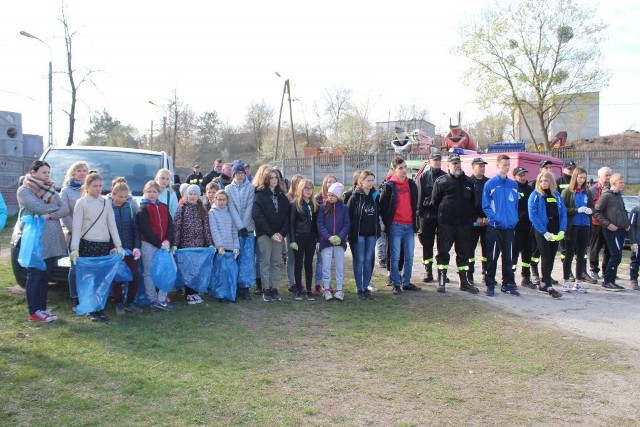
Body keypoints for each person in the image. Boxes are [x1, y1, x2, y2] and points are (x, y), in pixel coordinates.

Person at [17, 160, 69, 322]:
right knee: (35, 274)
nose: (47, 175)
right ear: (33, 172)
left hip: (52, 238)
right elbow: (38, 207)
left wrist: (51, 215)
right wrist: (55, 210)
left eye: (48, 172)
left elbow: (65, 209)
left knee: (46, 274)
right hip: (35, 238)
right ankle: (33, 311)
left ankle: (42, 307)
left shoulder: (51, 190)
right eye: (43, 172)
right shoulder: (24, 190)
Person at [69, 171, 124, 321]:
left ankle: (99, 307)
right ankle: (90, 308)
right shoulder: (81, 203)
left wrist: (118, 245)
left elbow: (112, 225)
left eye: (100, 186)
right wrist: (75, 249)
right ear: (87, 186)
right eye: (94, 186)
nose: (98, 189)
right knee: (89, 278)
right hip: (88, 244)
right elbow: (77, 226)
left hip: (103, 244)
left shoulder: (106, 202)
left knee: (101, 278)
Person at [430, 154, 479, 294]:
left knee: (464, 253)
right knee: (443, 252)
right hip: (446, 224)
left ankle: (464, 282)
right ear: (448, 165)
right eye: (454, 163)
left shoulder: (469, 182)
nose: (457, 165)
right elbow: (435, 202)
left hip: (464, 225)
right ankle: (441, 280)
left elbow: (474, 202)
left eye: (458, 163)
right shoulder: (441, 181)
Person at [380, 156, 420, 295]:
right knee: (395, 256)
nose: (404, 170)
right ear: (394, 170)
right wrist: (388, 223)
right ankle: (396, 284)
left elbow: (415, 202)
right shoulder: (390, 186)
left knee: (409, 256)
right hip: (395, 226)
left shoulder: (411, 184)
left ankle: (406, 282)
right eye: (400, 168)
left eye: (405, 167)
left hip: (409, 225)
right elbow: (383, 207)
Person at [482, 154, 520, 296]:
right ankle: (490, 284)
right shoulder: (490, 184)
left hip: (509, 228)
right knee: (492, 257)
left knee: (508, 258)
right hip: (495, 227)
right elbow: (486, 207)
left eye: (508, 165)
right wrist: (497, 219)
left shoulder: (513, 184)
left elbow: (515, 204)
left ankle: (507, 284)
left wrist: (514, 219)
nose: (507, 167)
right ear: (498, 165)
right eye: (504, 164)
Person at [252, 168, 290, 302]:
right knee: (265, 262)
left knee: (275, 262)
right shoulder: (259, 195)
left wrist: (282, 233)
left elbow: (287, 217)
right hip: (265, 234)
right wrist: (271, 233)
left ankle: (274, 288)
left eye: (276, 178)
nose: (274, 180)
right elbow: (258, 216)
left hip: (279, 235)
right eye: (271, 177)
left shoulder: (282, 195)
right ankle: (266, 289)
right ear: (266, 179)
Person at [528, 171, 567, 299]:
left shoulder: (557, 195)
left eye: (546, 181)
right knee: (545, 258)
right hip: (542, 231)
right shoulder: (535, 195)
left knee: (551, 257)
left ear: (551, 182)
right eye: (541, 181)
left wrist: (562, 230)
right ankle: (549, 287)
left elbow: (563, 213)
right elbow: (533, 215)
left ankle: (544, 283)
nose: (543, 183)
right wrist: (544, 232)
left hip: (555, 230)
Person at [138, 180, 175, 311]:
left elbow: (170, 225)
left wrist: (168, 240)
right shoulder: (143, 208)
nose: (152, 194)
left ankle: (161, 298)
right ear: (145, 192)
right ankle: (153, 299)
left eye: (154, 191)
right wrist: (158, 243)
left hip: (164, 245)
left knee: (167, 270)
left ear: (159, 193)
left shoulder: (164, 207)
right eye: (149, 191)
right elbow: (146, 229)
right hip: (149, 244)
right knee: (148, 272)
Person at [175, 184, 214, 304]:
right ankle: (188, 294)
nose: (192, 196)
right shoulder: (182, 208)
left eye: (195, 194)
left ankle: (195, 293)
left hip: (199, 245)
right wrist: (175, 244)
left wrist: (209, 243)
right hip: (186, 246)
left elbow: (206, 228)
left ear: (198, 196)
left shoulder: (202, 209)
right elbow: (177, 227)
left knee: (197, 270)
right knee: (188, 270)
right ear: (186, 195)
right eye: (190, 194)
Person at [109, 178, 142, 314]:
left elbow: (135, 228)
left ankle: (130, 301)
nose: (123, 199)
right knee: (118, 277)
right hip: (115, 250)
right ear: (113, 194)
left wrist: (136, 246)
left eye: (125, 196)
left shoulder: (130, 207)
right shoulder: (109, 208)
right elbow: (107, 230)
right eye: (120, 196)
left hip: (129, 248)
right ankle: (118, 302)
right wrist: (111, 247)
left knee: (134, 276)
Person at [60, 161, 89, 311]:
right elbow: (64, 213)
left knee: (88, 266)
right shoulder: (66, 191)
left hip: (90, 235)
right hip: (74, 235)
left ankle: (87, 296)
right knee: (75, 266)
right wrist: (76, 230)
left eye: (85, 170)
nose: (82, 173)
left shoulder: (91, 189)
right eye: (79, 170)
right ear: (73, 172)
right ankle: (74, 297)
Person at [560, 167, 594, 293]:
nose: (582, 180)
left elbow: (593, 207)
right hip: (572, 226)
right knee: (569, 253)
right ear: (575, 177)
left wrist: (591, 211)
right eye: (580, 177)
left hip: (584, 225)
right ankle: (566, 280)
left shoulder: (587, 192)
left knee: (581, 254)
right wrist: (576, 210)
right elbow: (563, 210)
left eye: (584, 178)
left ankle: (579, 281)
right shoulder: (567, 192)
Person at [225, 160, 256, 301]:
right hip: (235, 229)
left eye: (241, 172)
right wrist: (239, 226)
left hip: (248, 228)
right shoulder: (228, 189)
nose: (239, 175)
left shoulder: (251, 187)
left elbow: (250, 206)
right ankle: (235, 286)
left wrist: (245, 226)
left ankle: (245, 287)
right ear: (233, 175)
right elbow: (230, 208)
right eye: (237, 173)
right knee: (235, 257)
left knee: (247, 259)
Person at [347, 171, 380, 300]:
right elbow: (348, 216)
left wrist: (377, 229)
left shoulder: (375, 195)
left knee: (368, 262)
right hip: (359, 235)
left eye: (372, 180)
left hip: (371, 234)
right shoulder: (355, 197)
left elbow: (378, 214)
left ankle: (366, 287)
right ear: (361, 181)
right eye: (368, 180)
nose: (371, 183)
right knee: (359, 261)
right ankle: (359, 288)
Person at [594, 173, 630, 291]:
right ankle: (607, 281)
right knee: (616, 255)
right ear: (614, 183)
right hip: (610, 231)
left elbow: (623, 211)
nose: (623, 185)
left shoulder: (618, 196)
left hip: (620, 230)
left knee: (615, 255)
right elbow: (596, 212)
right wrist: (608, 224)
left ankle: (612, 280)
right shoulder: (606, 196)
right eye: (621, 182)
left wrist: (626, 224)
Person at [416, 151, 445, 283]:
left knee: (442, 245)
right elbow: (419, 197)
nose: (437, 162)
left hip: (442, 216)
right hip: (427, 216)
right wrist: (419, 215)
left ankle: (442, 273)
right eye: (435, 160)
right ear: (430, 161)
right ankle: (428, 272)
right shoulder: (424, 177)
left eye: (439, 160)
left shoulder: (446, 176)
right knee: (427, 244)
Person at [317, 182, 350, 301]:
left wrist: (340, 237)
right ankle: (326, 290)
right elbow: (320, 224)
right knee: (326, 266)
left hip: (339, 244)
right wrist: (329, 237)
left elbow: (347, 225)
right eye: (328, 195)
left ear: (338, 196)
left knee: (339, 267)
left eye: (332, 195)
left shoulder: (345, 208)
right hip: (326, 243)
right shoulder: (323, 207)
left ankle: (340, 290)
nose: (329, 198)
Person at [289, 178, 319, 301]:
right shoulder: (295, 204)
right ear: (301, 189)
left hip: (311, 237)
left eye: (311, 188)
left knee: (308, 263)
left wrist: (317, 239)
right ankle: (299, 289)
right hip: (299, 237)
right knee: (298, 263)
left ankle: (308, 289)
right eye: (306, 188)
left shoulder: (315, 204)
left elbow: (316, 224)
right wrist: (292, 240)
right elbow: (291, 224)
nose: (309, 190)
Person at [209, 189, 240, 301]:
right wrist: (219, 245)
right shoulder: (212, 213)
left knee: (231, 272)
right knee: (220, 273)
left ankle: (230, 293)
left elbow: (234, 231)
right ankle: (219, 293)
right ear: (215, 200)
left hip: (230, 247)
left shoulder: (230, 213)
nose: (222, 202)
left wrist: (236, 246)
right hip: (221, 249)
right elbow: (214, 230)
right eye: (219, 199)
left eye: (224, 199)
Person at [511, 167, 536, 289]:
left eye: (524, 174)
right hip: (516, 228)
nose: (522, 177)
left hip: (528, 227)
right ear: (515, 176)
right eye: (520, 175)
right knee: (513, 254)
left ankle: (526, 277)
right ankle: (510, 278)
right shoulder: (512, 188)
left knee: (527, 254)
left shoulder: (530, 189)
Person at [313, 174, 337, 295]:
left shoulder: (337, 199)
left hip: (333, 236)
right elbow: (317, 220)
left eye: (333, 182)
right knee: (321, 261)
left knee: (330, 261)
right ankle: (318, 284)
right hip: (321, 235)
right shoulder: (318, 198)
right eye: (329, 182)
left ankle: (327, 284)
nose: (331, 184)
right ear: (324, 184)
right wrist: (318, 239)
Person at [468, 157, 489, 285]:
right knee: (470, 249)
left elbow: (493, 202)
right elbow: (466, 204)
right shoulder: (468, 182)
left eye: (483, 166)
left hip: (487, 222)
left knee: (487, 249)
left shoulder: (488, 182)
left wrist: (488, 218)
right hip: (473, 222)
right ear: (473, 167)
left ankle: (486, 274)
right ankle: (469, 275)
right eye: (479, 166)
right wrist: (476, 218)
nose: (482, 168)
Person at [588, 167, 612, 282]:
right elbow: (591, 208)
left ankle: (606, 270)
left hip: (609, 224)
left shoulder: (612, 189)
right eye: (606, 175)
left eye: (609, 175)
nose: (608, 177)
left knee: (609, 248)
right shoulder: (594, 189)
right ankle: (593, 269)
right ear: (599, 177)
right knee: (595, 247)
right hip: (596, 223)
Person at [556, 159, 577, 280]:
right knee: (564, 248)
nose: (571, 170)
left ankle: (581, 272)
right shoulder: (559, 181)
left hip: (576, 219)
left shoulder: (577, 182)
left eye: (573, 168)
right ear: (563, 169)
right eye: (569, 168)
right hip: (563, 219)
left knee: (576, 249)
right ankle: (567, 271)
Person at [285, 174, 305, 293]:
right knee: (291, 257)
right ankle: (291, 282)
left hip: (302, 232)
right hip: (291, 232)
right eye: (297, 183)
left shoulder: (304, 198)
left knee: (300, 258)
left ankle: (298, 281)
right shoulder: (288, 198)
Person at [629, 193, 640, 291]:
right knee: (635, 261)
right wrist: (633, 241)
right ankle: (633, 280)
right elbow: (631, 227)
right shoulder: (636, 210)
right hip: (637, 241)